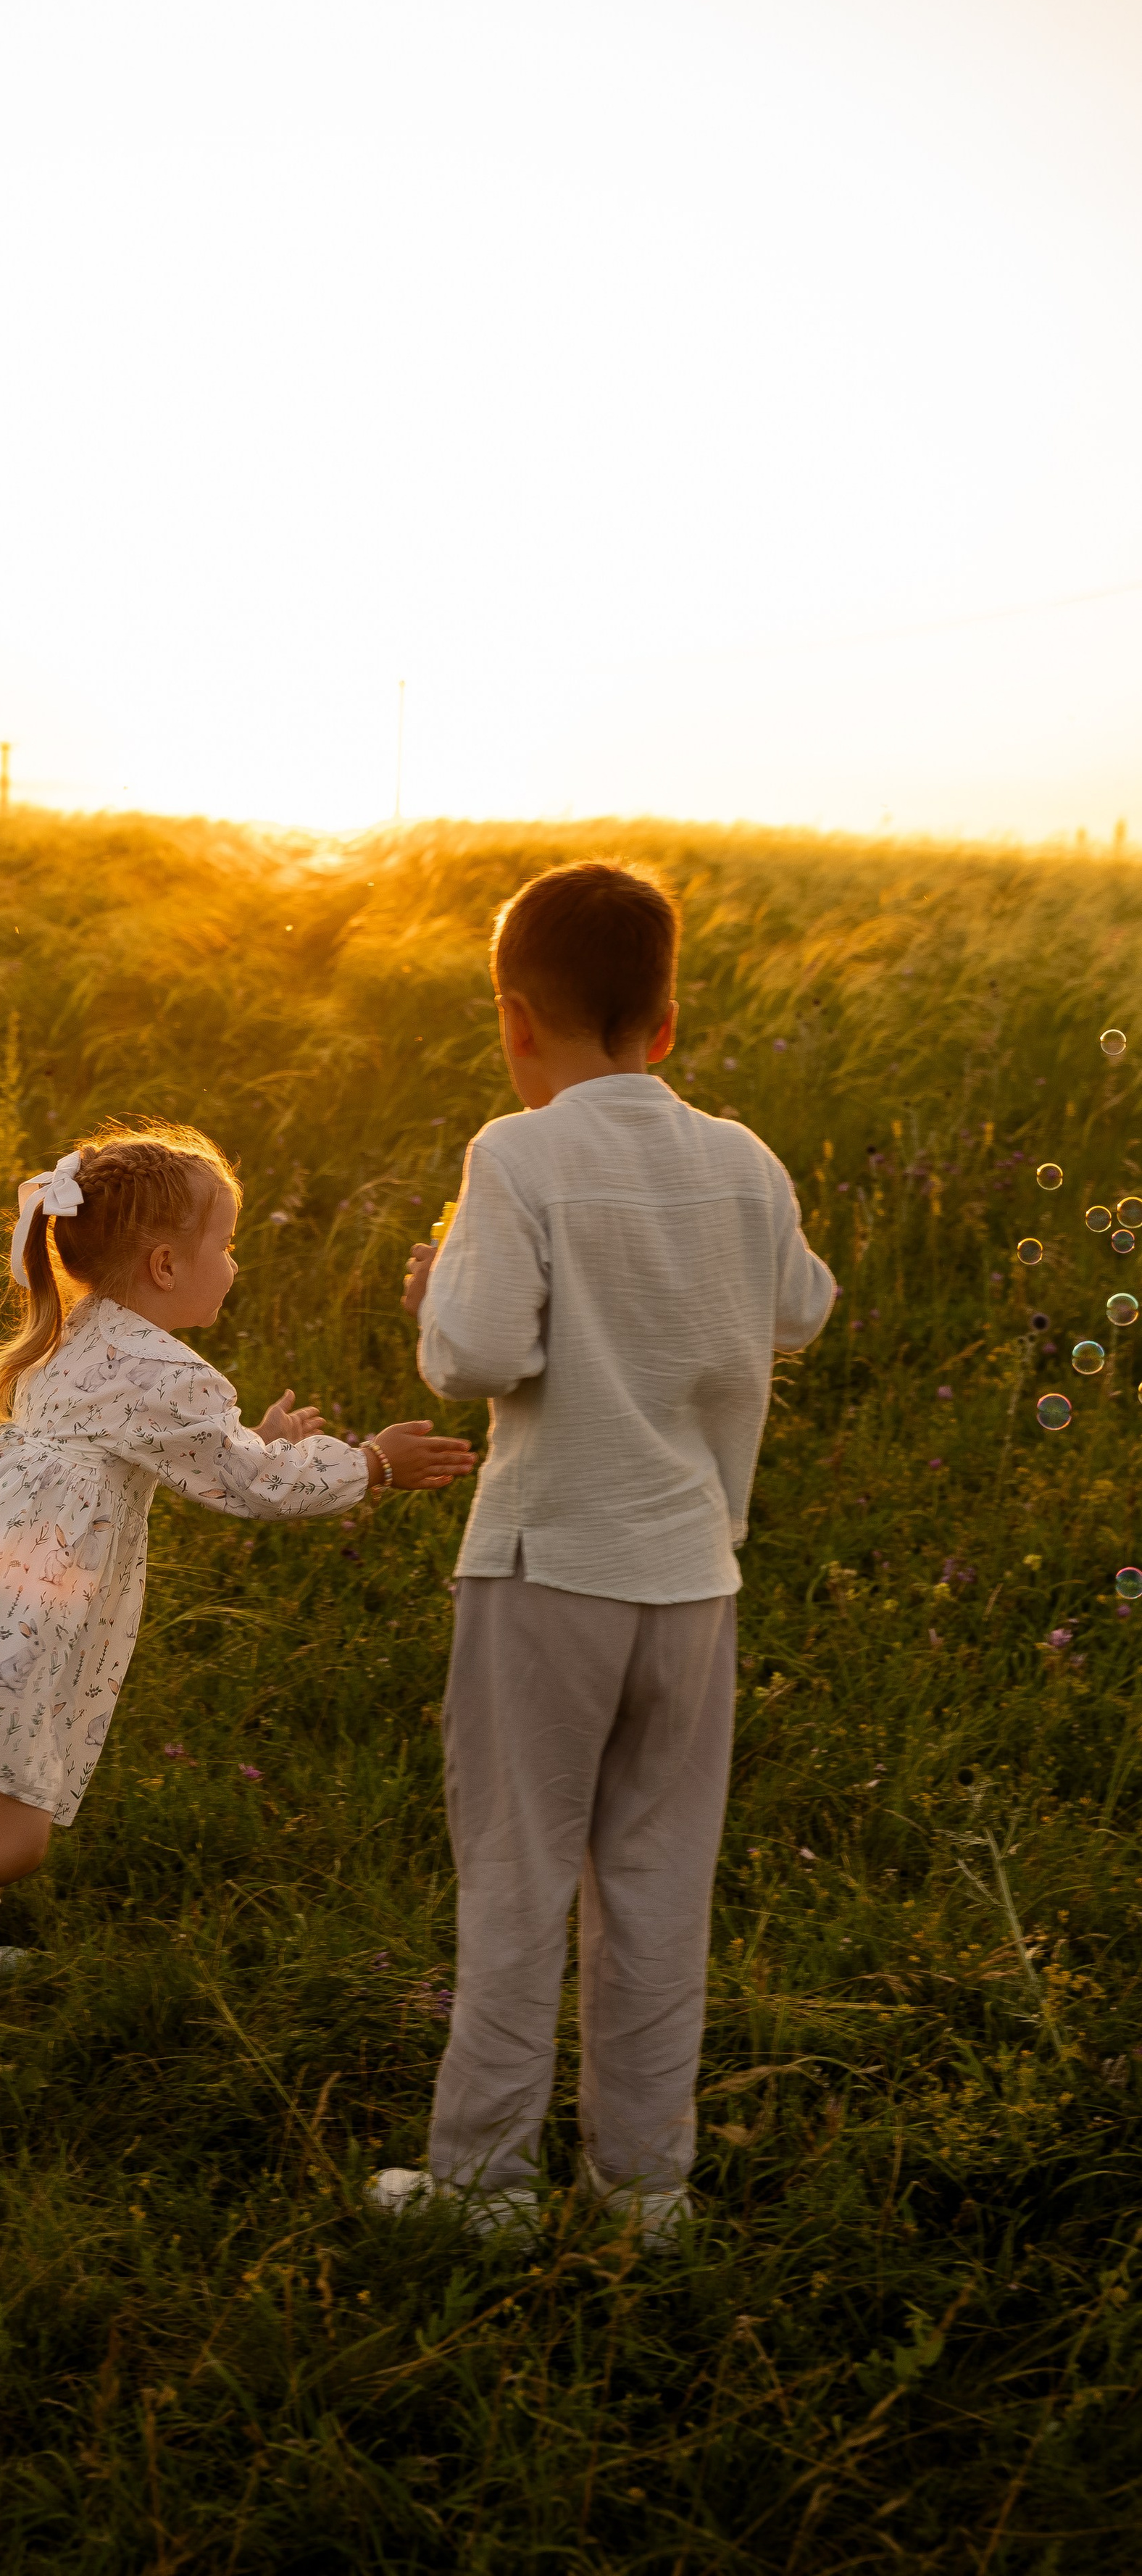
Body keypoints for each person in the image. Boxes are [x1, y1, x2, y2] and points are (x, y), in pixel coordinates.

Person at [0, 1121, 475, 2029]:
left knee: (16, 1765)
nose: (233, 1262)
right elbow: (253, 1487)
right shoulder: (166, 1373)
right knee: (8, 1839)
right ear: (165, 1266)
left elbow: (220, 1461)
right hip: (24, 1606)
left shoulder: (82, 1331)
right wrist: (371, 1464)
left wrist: (261, 1445)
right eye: (225, 1244)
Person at [370, 862, 834, 2247]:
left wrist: (438, 1278)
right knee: (655, 1880)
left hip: (547, 1568)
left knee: (519, 1871)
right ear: (668, 1022)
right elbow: (800, 1312)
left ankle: (484, 2188)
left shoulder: (516, 1156)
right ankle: (643, 2192)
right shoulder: (744, 1159)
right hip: (693, 1582)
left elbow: (476, 1354)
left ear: (515, 1019)